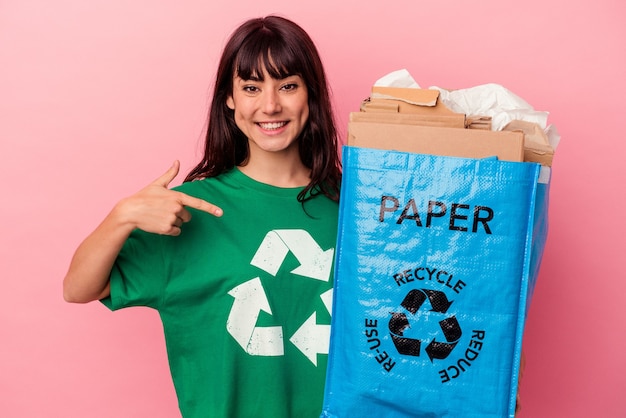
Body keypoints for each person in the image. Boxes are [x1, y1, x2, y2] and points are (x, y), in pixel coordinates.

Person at [63, 15, 341, 418]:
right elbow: (78, 288)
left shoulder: (355, 209)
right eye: (251, 87)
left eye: (288, 86)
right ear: (229, 99)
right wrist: (121, 216)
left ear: (309, 94)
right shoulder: (188, 210)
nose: (270, 105)